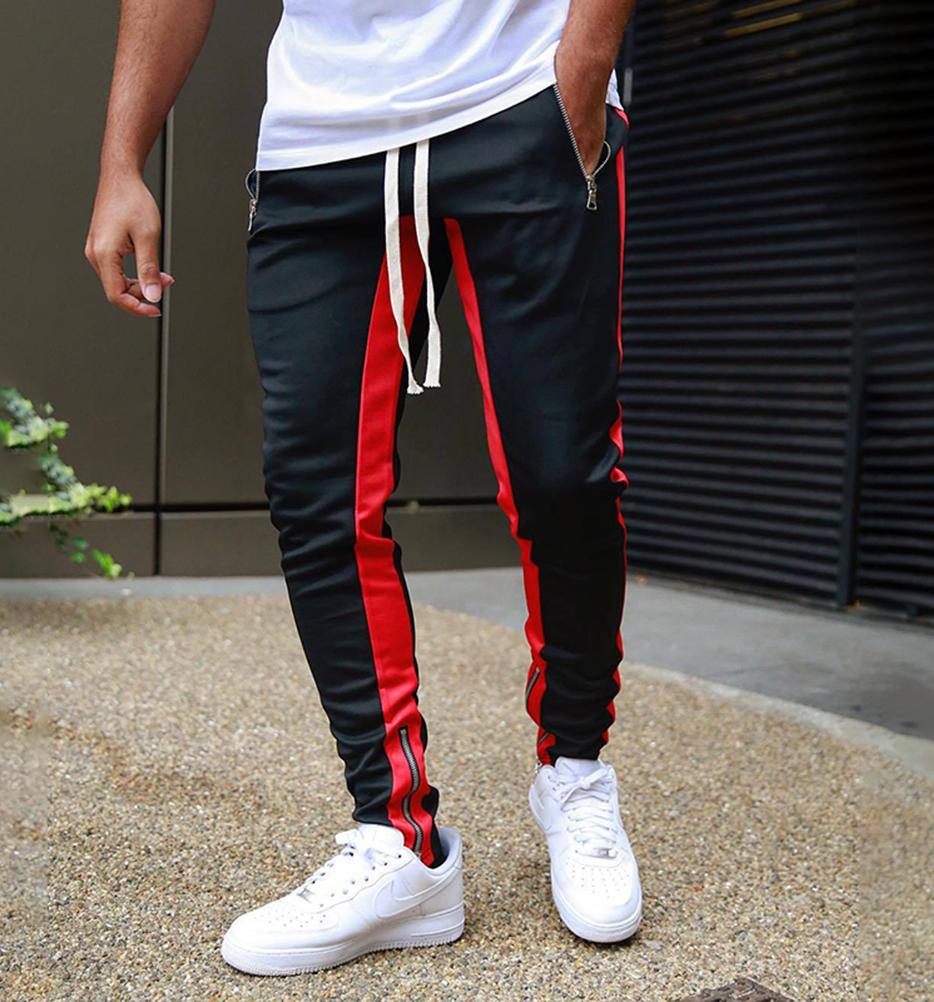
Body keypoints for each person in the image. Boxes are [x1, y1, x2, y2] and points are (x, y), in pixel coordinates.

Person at [86, 0, 640, 976]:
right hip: (323, 137)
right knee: (318, 496)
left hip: (522, 95)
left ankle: (575, 769)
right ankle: (399, 839)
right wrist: (122, 159)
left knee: (563, 477)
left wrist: (585, 63)